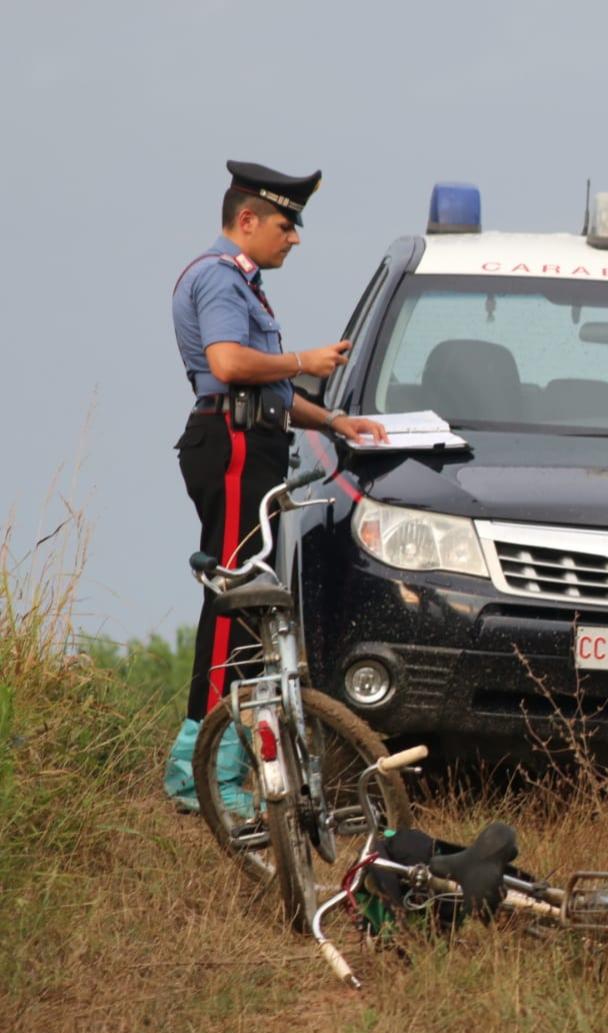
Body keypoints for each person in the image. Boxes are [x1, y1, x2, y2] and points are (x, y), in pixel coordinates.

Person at [165, 160, 388, 813]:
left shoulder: (245, 283)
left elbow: (269, 393)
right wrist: (303, 361)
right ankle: (197, 769)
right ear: (247, 220)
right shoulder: (218, 278)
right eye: (286, 225)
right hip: (232, 447)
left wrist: (335, 421)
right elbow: (229, 364)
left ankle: (213, 758)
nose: (293, 238)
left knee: (244, 600)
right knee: (234, 599)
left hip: (252, 440)